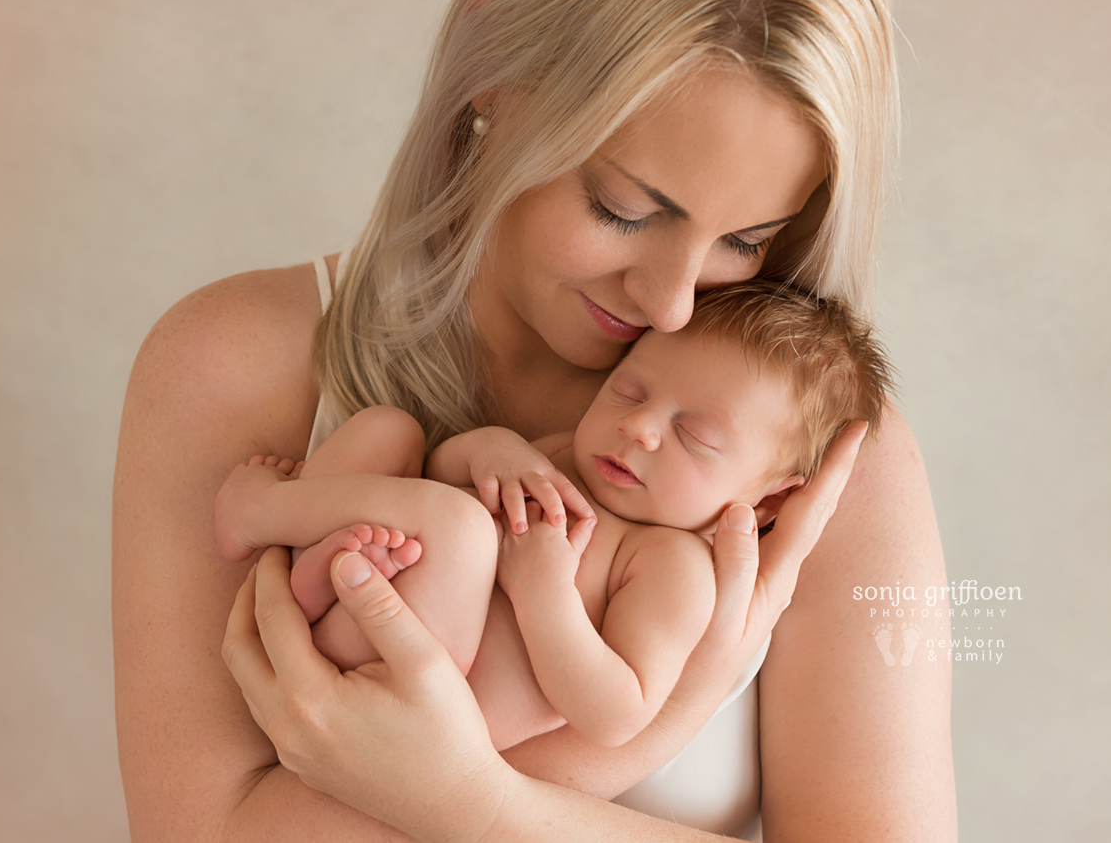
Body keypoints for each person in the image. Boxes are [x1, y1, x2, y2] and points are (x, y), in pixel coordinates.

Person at [112, 0, 957, 839]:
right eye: (622, 207)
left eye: (744, 240)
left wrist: (480, 804)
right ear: (491, 69)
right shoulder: (229, 365)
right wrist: (678, 705)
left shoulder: (805, 451)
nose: (673, 304)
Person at [214, 282, 892, 753]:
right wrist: (489, 451)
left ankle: (263, 513)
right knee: (389, 432)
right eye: (630, 390)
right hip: (363, 618)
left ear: (769, 499)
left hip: (410, 702)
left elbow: (618, 711)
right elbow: (440, 479)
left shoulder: (671, 566)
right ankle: (313, 576)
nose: (642, 429)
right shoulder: (564, 457)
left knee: (460, 530)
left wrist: (545, 596)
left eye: (696, 436)